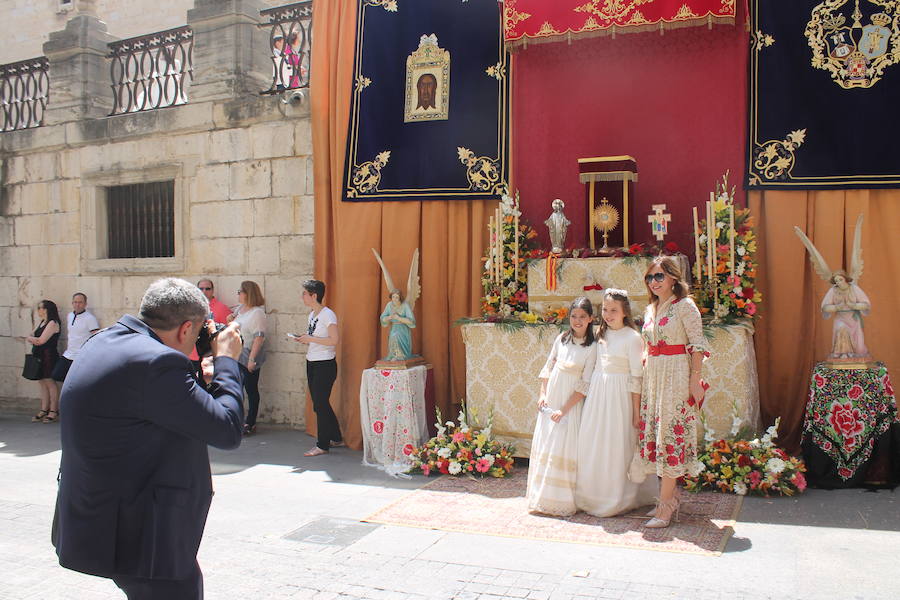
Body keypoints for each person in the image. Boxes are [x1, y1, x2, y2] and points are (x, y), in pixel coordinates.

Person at [52, 277, 245, 599]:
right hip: (139, 535)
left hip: (103, 514)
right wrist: (227, 360)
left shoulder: (107, 341)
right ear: (186, 329)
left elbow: (155, 405)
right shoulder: (156, 363)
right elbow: (226, 430)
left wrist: (200, 379)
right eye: (196, 334)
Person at [637, 256, 710, 528]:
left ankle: (665, 506)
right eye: (650, 277)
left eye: (659, 276)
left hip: (676, 375)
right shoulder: (651, 308)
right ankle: (669, 496)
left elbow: (697, 344)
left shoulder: (685, 306)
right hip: (655, 376)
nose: (654, 282)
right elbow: (648, 343)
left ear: (673, 278)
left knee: (669, 434)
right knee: (657, 433)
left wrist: (695, 379)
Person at [575, 289, 656, 517]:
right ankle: (592, 495)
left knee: (617, 443)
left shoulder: (632, 338)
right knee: (594, 440)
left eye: (613, 310)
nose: (608, 314)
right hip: (599, 394)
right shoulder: (600, 334)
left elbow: (636, 376)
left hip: (620, 395)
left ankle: (620, 497)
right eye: (605, 309)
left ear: (624, 312)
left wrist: (636, 410)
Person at [527, 297, 597, 516]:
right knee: (547, 445)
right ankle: (541, 497)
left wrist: (563, 410)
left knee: (562, 447)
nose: (577, 321)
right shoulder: (561, 339)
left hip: (569, 406)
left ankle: (561, 501)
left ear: (590, 319)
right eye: (574, 316)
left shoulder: (592, 347)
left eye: (582, 317)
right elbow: (548, 367)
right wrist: (542, 395)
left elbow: (584, 384)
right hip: (551, 401)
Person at [292, 279, 342, 457]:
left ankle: (323, 444)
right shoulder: (312, 315)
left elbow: (334, 340)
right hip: (312, 361)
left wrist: (310, 339)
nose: (302, 297)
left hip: (325, 363)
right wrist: (305, 338)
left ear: (314, 295)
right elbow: (316, 337)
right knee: (320, 403)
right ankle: (335, 436)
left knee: (320, 403)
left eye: (305, 293)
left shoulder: (328, 315)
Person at [226, 281, 267, 435]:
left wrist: (252, 359)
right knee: (237, 389)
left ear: (248, 294)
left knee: (250, 389)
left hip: (248, 353)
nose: (238, 294)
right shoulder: (240, 309)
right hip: (236, 353)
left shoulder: (257, 313)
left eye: (240, 291)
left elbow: (259, 337)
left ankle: (250, 422)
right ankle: (237, 420)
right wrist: (231, 318)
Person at [51, 293, 101, 384]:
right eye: (75, 302)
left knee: (79, 381)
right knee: (56, 374)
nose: (77, 304)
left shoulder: (89, 318)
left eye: (80, 302)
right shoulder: (70, 315)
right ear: (72, 303)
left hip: (80, 356)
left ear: (85, 304)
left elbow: (96, 336)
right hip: (68, 354)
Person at [25, 300, 61, 423]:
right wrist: (32, 338)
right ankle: (44, 409)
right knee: (42, 382)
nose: (38, 310)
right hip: (40, 355)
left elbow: (41, 340)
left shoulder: (52, 323)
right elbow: (33, 336)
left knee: (50, 382)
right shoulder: (42, 322)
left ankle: (53, 410)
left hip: (48, 356)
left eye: (40, 308)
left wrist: (31, 339)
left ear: (46, 309)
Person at [379, 290, 416, 360]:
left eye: (396, 297)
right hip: (394, 328)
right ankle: (393, 355)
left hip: (403, 328)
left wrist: (399, 318)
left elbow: (411, 321)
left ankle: (401, 355)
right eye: (393, 297)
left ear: (400, 298)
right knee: (393, 336)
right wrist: (389, 317)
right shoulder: (389, 305)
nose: (394, 299)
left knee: (396, 336)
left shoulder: (405, 305)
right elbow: (382, 318)